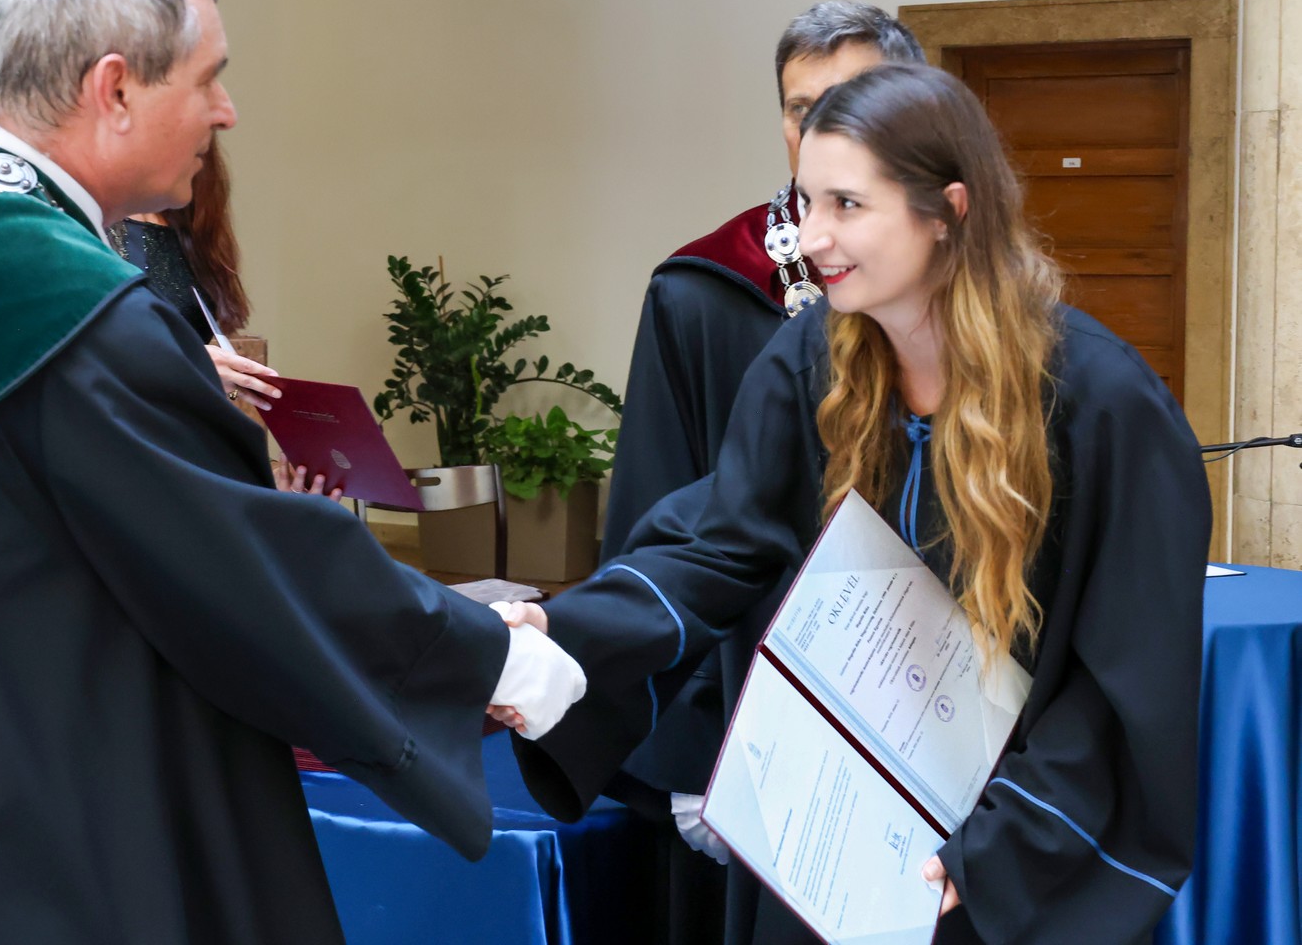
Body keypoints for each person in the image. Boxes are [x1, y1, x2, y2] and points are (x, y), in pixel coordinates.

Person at [0, 0, 585, 945]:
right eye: (208, 78)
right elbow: (242, 570)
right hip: (13, 852)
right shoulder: (72, 314)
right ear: (114, 88)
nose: (226, 111)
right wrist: (489, 657)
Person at [501, 64, 1209, 945]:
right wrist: (564, 632)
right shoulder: (811, 365)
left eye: (846, 204)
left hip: (986, 863)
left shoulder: (1101, 407)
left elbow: (1122, 681)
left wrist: (1000, 850)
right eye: (806, 202)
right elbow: (719, 544)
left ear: (947, 211)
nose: (811, 237)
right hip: (828, 836)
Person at [601, 1, 924, 944]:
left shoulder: (960, 291)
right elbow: (662, 522)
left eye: (850, 99)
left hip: (929, 707)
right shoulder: (708, 292)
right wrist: (690, 754)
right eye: (799, 107)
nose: (819, 126)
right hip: (755, 715)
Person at [107, 138, 335, 497]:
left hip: (184, 447)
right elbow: (82, 355)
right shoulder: (88, 220)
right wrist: (186, 366)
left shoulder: (193, 224)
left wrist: (272, 482)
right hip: (119, 447)